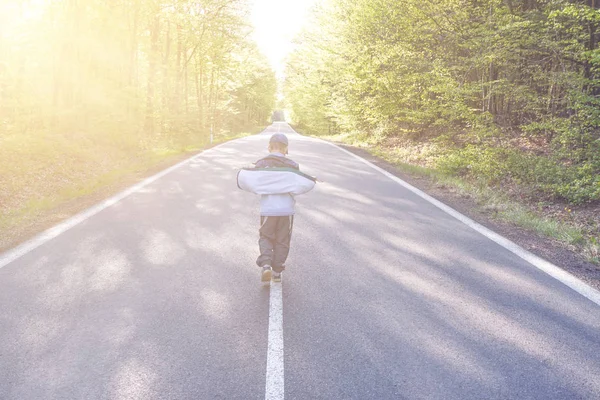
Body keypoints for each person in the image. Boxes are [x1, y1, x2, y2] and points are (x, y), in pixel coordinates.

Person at [237, 133, 316, 282]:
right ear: (286, 149)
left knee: (266, 236)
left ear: (269, 147)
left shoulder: (261, 164)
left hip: (268, 208)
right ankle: (277, 272)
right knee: (282, 240)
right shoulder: (293, 165)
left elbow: (255, 183)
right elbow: (298, 186)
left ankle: (266, 265)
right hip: (286, 210)